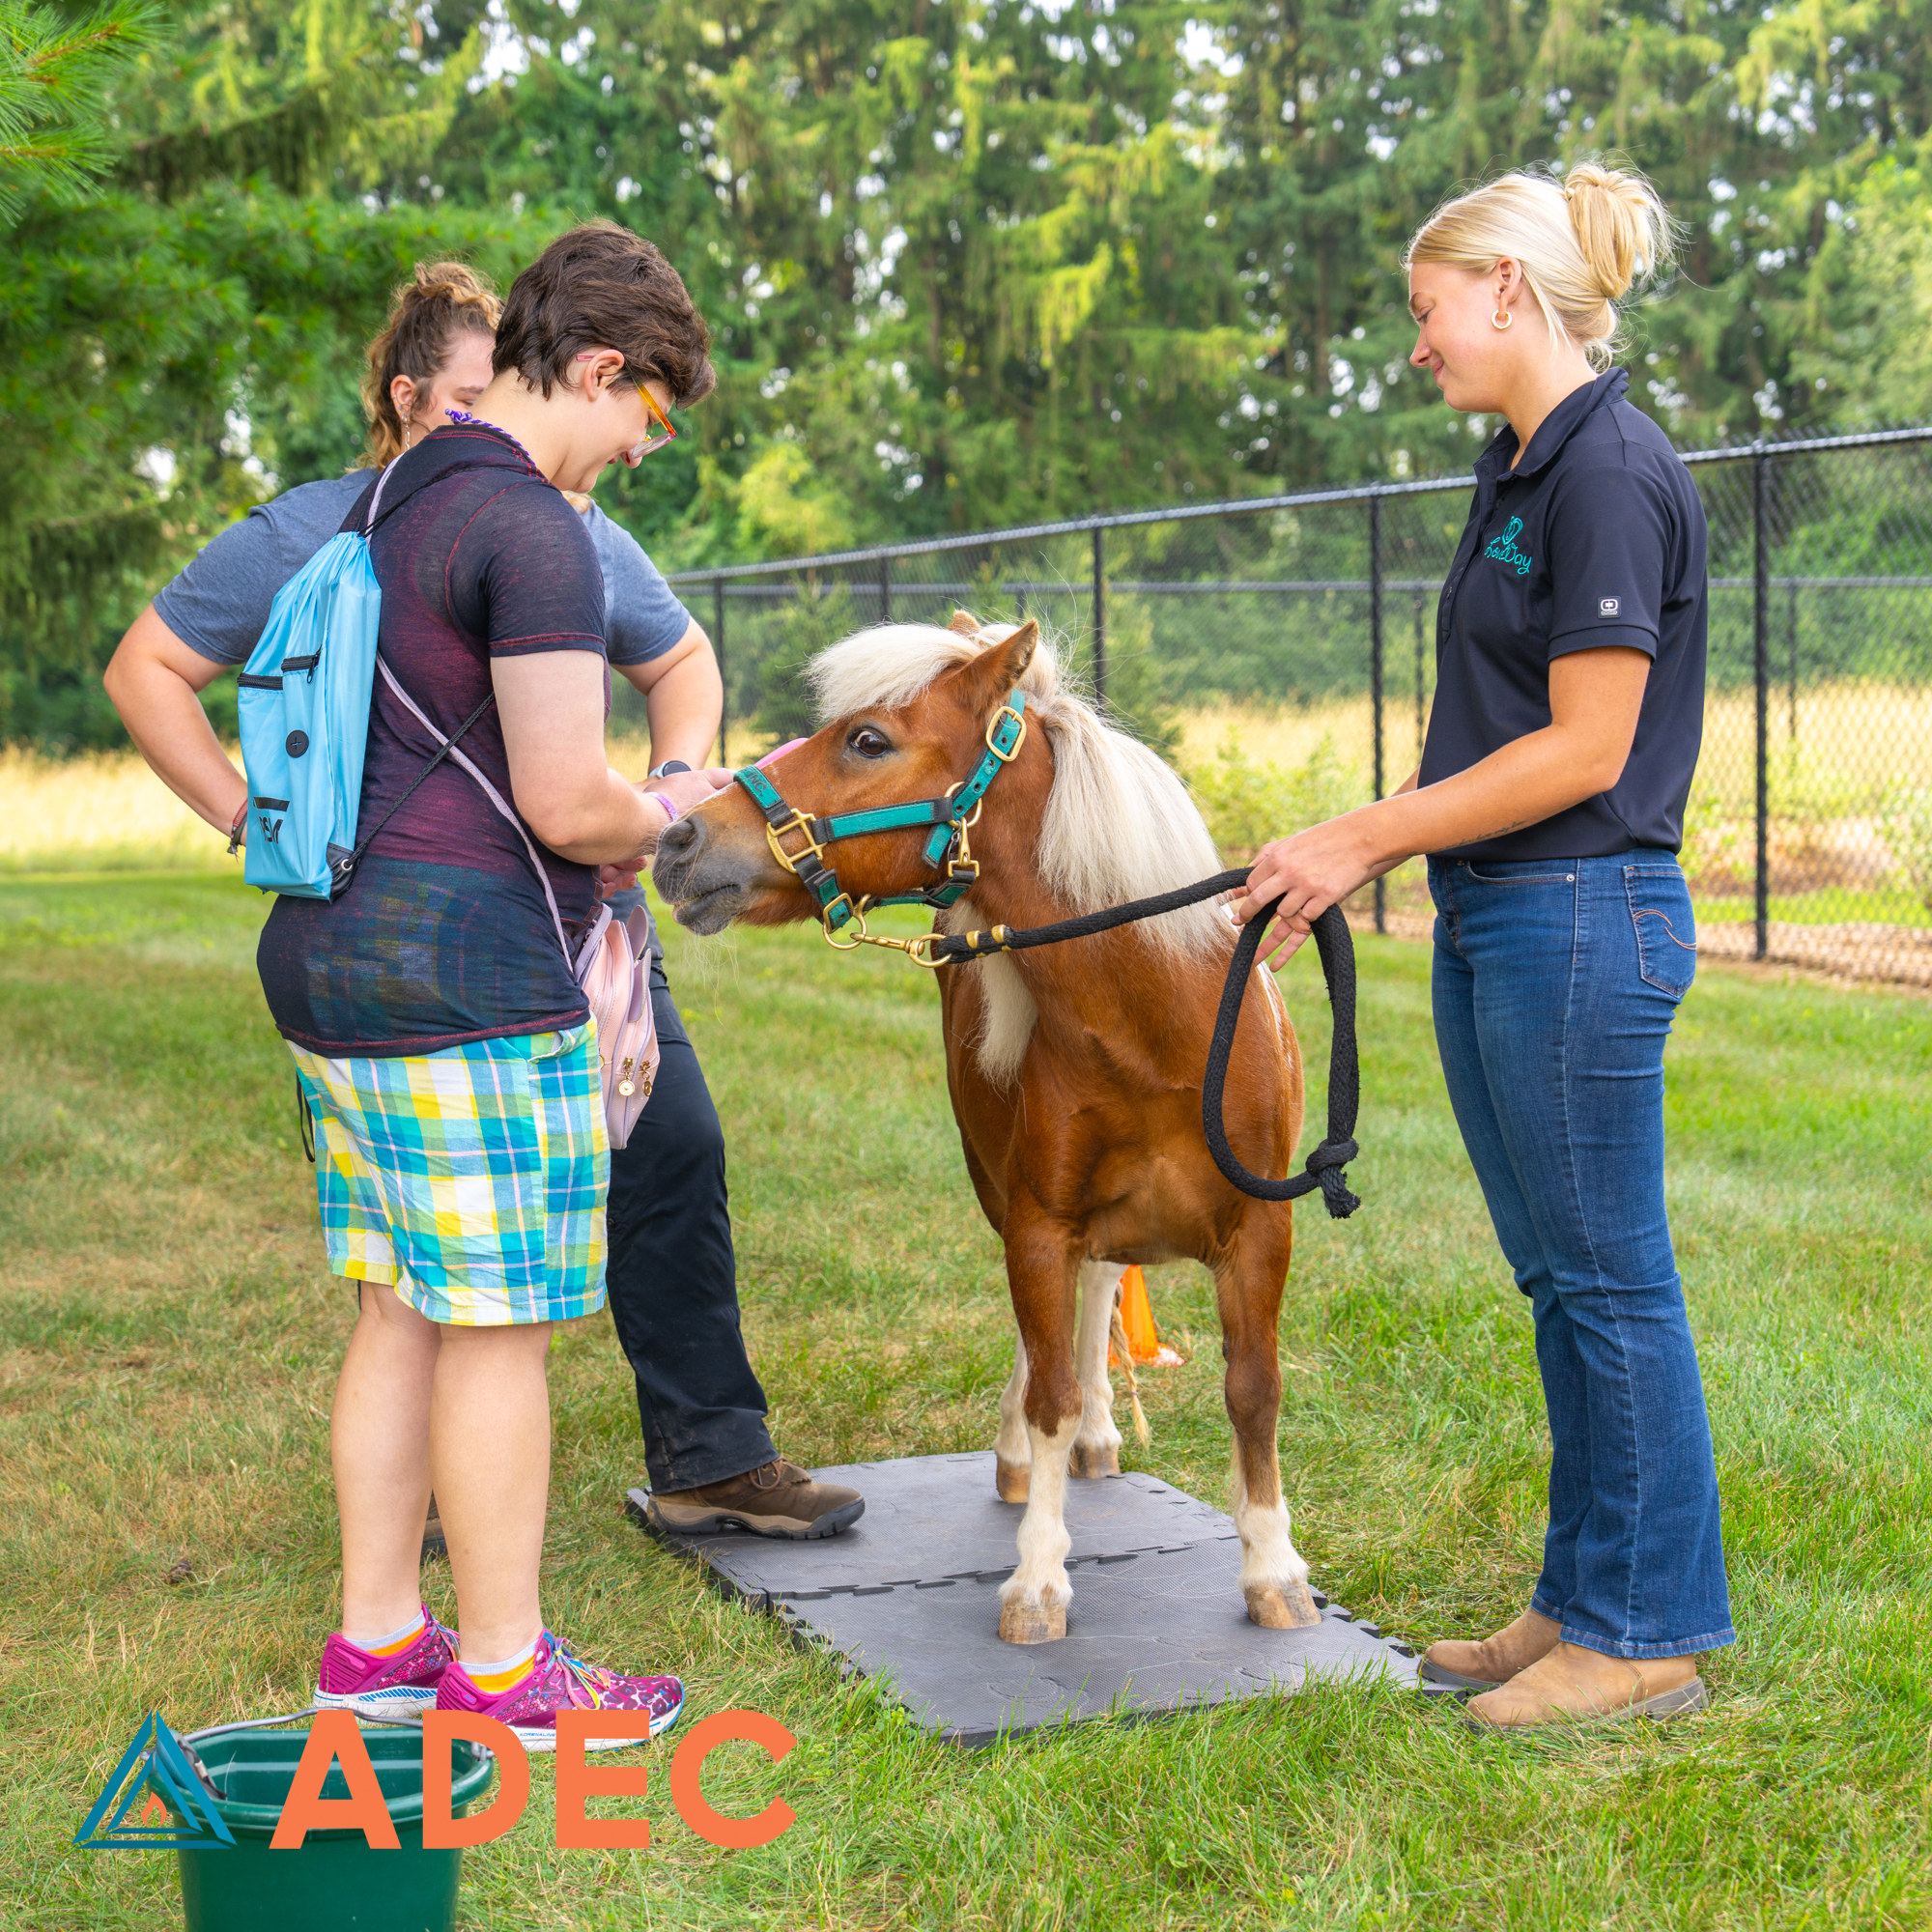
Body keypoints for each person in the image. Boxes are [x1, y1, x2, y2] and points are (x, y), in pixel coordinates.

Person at [106, 261, 864, 1566]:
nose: (636, 454)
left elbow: (675, 662)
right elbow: (561, 799)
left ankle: (644, 1491)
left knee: (529, 1231)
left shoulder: (538, 521)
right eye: (648, 418)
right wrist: (256, 820)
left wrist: (667, 779)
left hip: (491, 937)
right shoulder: (402, 524)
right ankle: (495, 1637)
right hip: (468, 950)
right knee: (484, 1316)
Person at [1236, 162, 1731, 1730]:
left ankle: (1647, 1634)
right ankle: (1582, 1601)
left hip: (1581, 915)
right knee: (1561, 1279)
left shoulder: (1610, 471)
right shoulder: (1521, 469)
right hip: (1503, 914)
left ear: (1505, 290)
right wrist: (1379, 843)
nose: (1417, 341)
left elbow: (1588, 748)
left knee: (1609, 1281)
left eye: (1427, 307)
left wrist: (1363, 838)